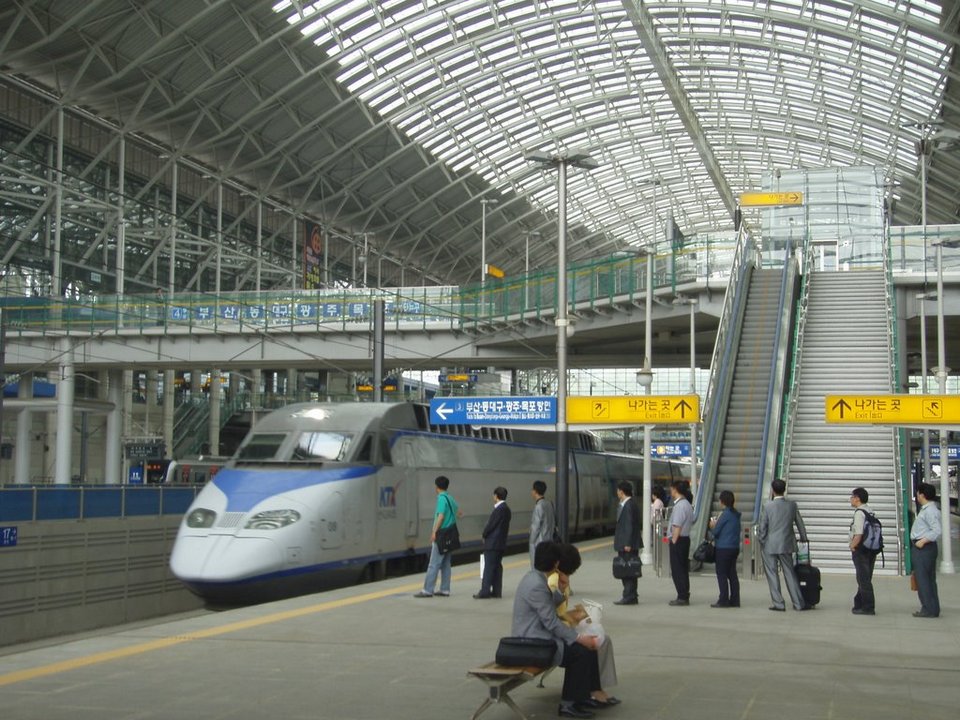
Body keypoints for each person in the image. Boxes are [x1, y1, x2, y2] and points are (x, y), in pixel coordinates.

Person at [513, 541, 604, 719]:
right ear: (556, 563)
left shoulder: (535, 577)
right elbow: (552, 622)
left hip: (537, 637)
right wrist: (578, 637)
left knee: (586, 649)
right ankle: (568, 704)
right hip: (532, 642)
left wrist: (561, 590)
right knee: (580, 652)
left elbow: (547, 604)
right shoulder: (537, 584)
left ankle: (583, 696)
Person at [548, 544, 620, 706]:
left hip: (563, 626)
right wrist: (574, 624)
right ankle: (593, 690)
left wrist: (576, 616)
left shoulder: (561, 579)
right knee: (592, 643)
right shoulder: (555, 581)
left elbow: (558, 612)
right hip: (557, 633)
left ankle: (596, 688)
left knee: (602, 639)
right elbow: (550, 616)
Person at [757, 479, 810, 612]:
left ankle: (779, 603)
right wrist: (804, 539)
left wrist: (762, 541)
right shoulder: (792, 505)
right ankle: (798, 603)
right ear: (784, 489)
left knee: (772, 573)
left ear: (773, 490)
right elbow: (800, 523)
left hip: (770, 544)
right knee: (789, 573)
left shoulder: (767, 506)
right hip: (786, 544)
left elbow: (763, 526)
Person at [414, 476, 462, 598]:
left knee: (433, 564)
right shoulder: (450, 498)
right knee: (446, 564)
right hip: (450, 535)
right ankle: (445, 589)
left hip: (441, 535)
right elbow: (459, 513)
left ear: (436, 487)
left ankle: (427, 590)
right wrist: (451, 519)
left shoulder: (441, 498)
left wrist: (434, 531)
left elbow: (441, 516)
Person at [910, 482, 941, 618]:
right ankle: (932, 608)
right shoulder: (928, 509)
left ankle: (928, 608)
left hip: (924, 549)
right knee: (928, 579)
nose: (917, 495)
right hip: (925, 548)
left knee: (923, 580)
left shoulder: (929, 511)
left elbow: (936, 530)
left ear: (922, 495)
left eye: (917, 493)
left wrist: (922, 541)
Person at [475, 486, 511, 599]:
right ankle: (496, 591)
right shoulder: (507, 509)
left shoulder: (499, 510)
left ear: (496, 496)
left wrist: (484, 534)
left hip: (493, 543)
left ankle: (485, 591)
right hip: (501, 543)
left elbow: (491, 525)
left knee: (489, 567)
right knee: (497, 567)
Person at [709, 490, 741, 608]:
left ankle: (723, 599)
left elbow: (716, 532)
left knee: (721, 574)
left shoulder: (724, 514)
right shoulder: (736, 514)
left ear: (722, 501)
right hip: (734, 547)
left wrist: (712, 525)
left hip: (723, 548)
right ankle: (735, 600)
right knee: (732, 574)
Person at [848, 487, 877, 615]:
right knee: (866, 577)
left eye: (852, 497)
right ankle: (859, 603)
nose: (850, 499)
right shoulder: (870, 510)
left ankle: (868, 607)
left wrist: (852, 546)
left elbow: (858, 534)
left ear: (857, 498)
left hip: (861, 550)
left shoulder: (859, 513)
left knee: (863, 579)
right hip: (871, 548)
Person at [613, 481, 641, 606]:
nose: (617, 493)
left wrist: (628, 543)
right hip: (628, 543)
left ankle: (628, 596)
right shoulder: (629, 504)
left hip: (627, 544)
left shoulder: (628, 505)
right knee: (630, 569)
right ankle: (632, 595)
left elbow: (629, 525)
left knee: (627, 570)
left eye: (618, 490)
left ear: (621, 491)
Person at [667, 480, 693, 606]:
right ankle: (684, 594)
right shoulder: (687, 504)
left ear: (675, 489)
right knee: (683, 569)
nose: (670, 491)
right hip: (685, 539)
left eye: (671, 488)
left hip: (679, 540)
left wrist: (673, 541)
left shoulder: (679, 506)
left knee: (677, 570)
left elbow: (677, 525)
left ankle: (682, 596)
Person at [530, 480, 556, 567]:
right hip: (549, 540)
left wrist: (531, 542)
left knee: (538, 567)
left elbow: (535, 527)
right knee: (547, 566)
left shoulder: (538, 506)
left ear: (535, 491)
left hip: (539, 543)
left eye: (532, 490)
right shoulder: (549, 504)